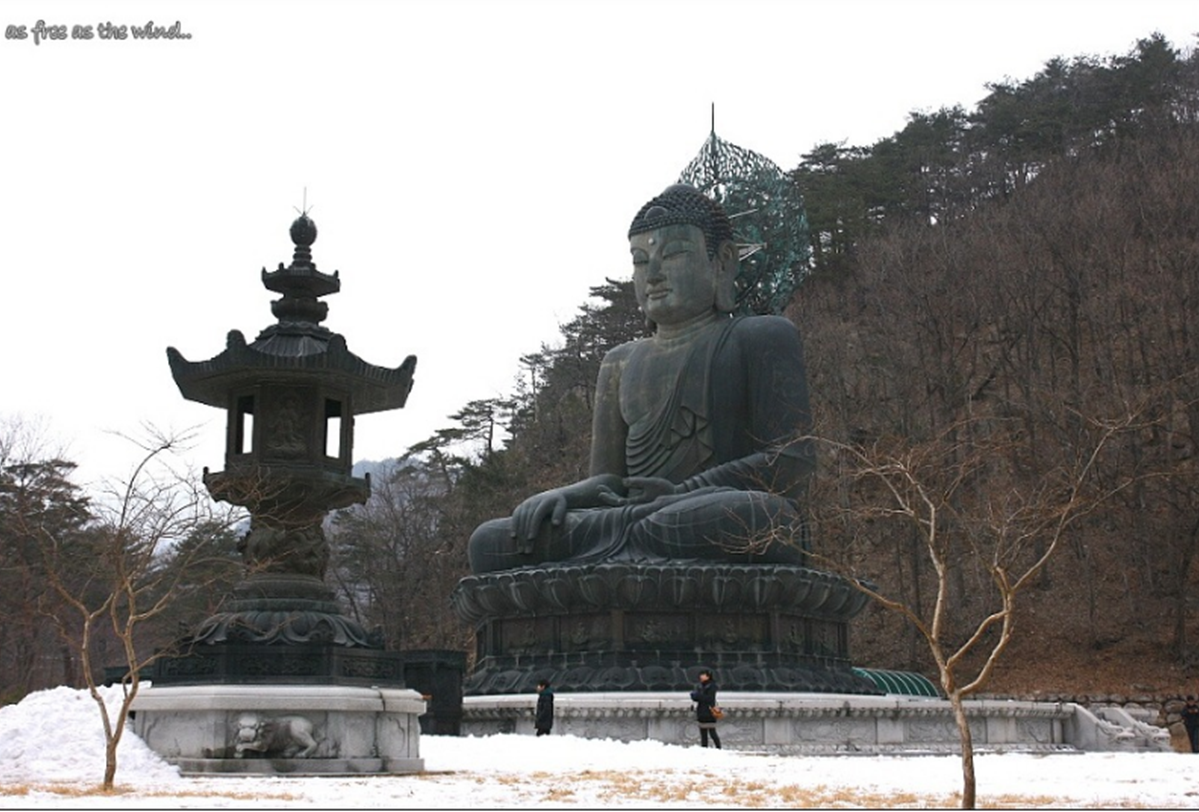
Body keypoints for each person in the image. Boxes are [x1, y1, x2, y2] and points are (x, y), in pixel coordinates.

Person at [468, 184, 814, 573]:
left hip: (709, 513)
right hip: (634, 519)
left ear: (722, 262)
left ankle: (622, 560)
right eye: (640, 260)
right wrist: (564, 496)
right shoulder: (619, 361)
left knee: (760, 518)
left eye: (674, 254)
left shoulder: (761, 335)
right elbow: (609, 481)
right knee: (490, 542)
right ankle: (628, 555)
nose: (653, 275)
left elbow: (793, 460)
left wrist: (682, 493)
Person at [690, 668, 721, 748]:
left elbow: (709, 698)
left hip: (709, 711)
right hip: (701, 711)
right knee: (703, 733)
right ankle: (704, 748)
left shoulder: (712, 686)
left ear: (708, 676)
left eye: (703, 675)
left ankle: (718, 748)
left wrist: (698, 696)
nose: (701, 676)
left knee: (712, 732)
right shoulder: (700, 686)